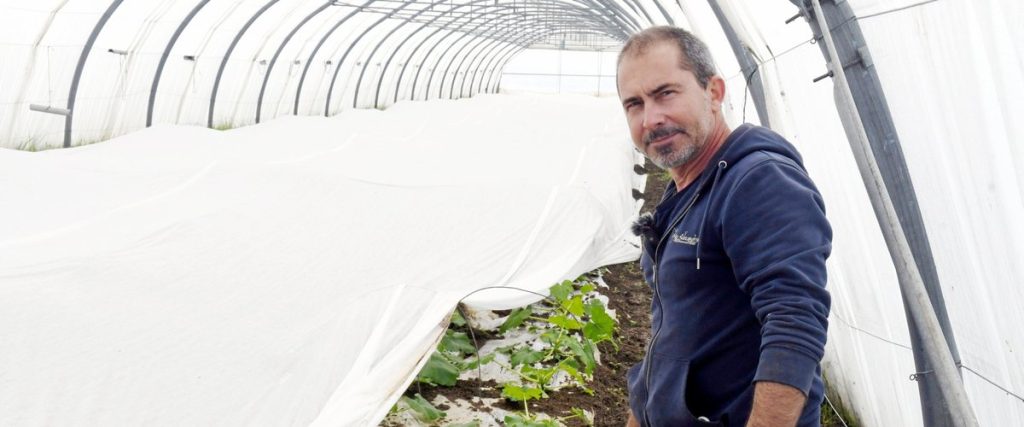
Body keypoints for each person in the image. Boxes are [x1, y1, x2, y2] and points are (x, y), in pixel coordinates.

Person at [618, 26, 832, 427]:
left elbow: (794, 323)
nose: (651, 118)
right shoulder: (687, 187)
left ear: (713, 92)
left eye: (666, 93)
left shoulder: (758, 181)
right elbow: (672, 328)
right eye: (634, 104)